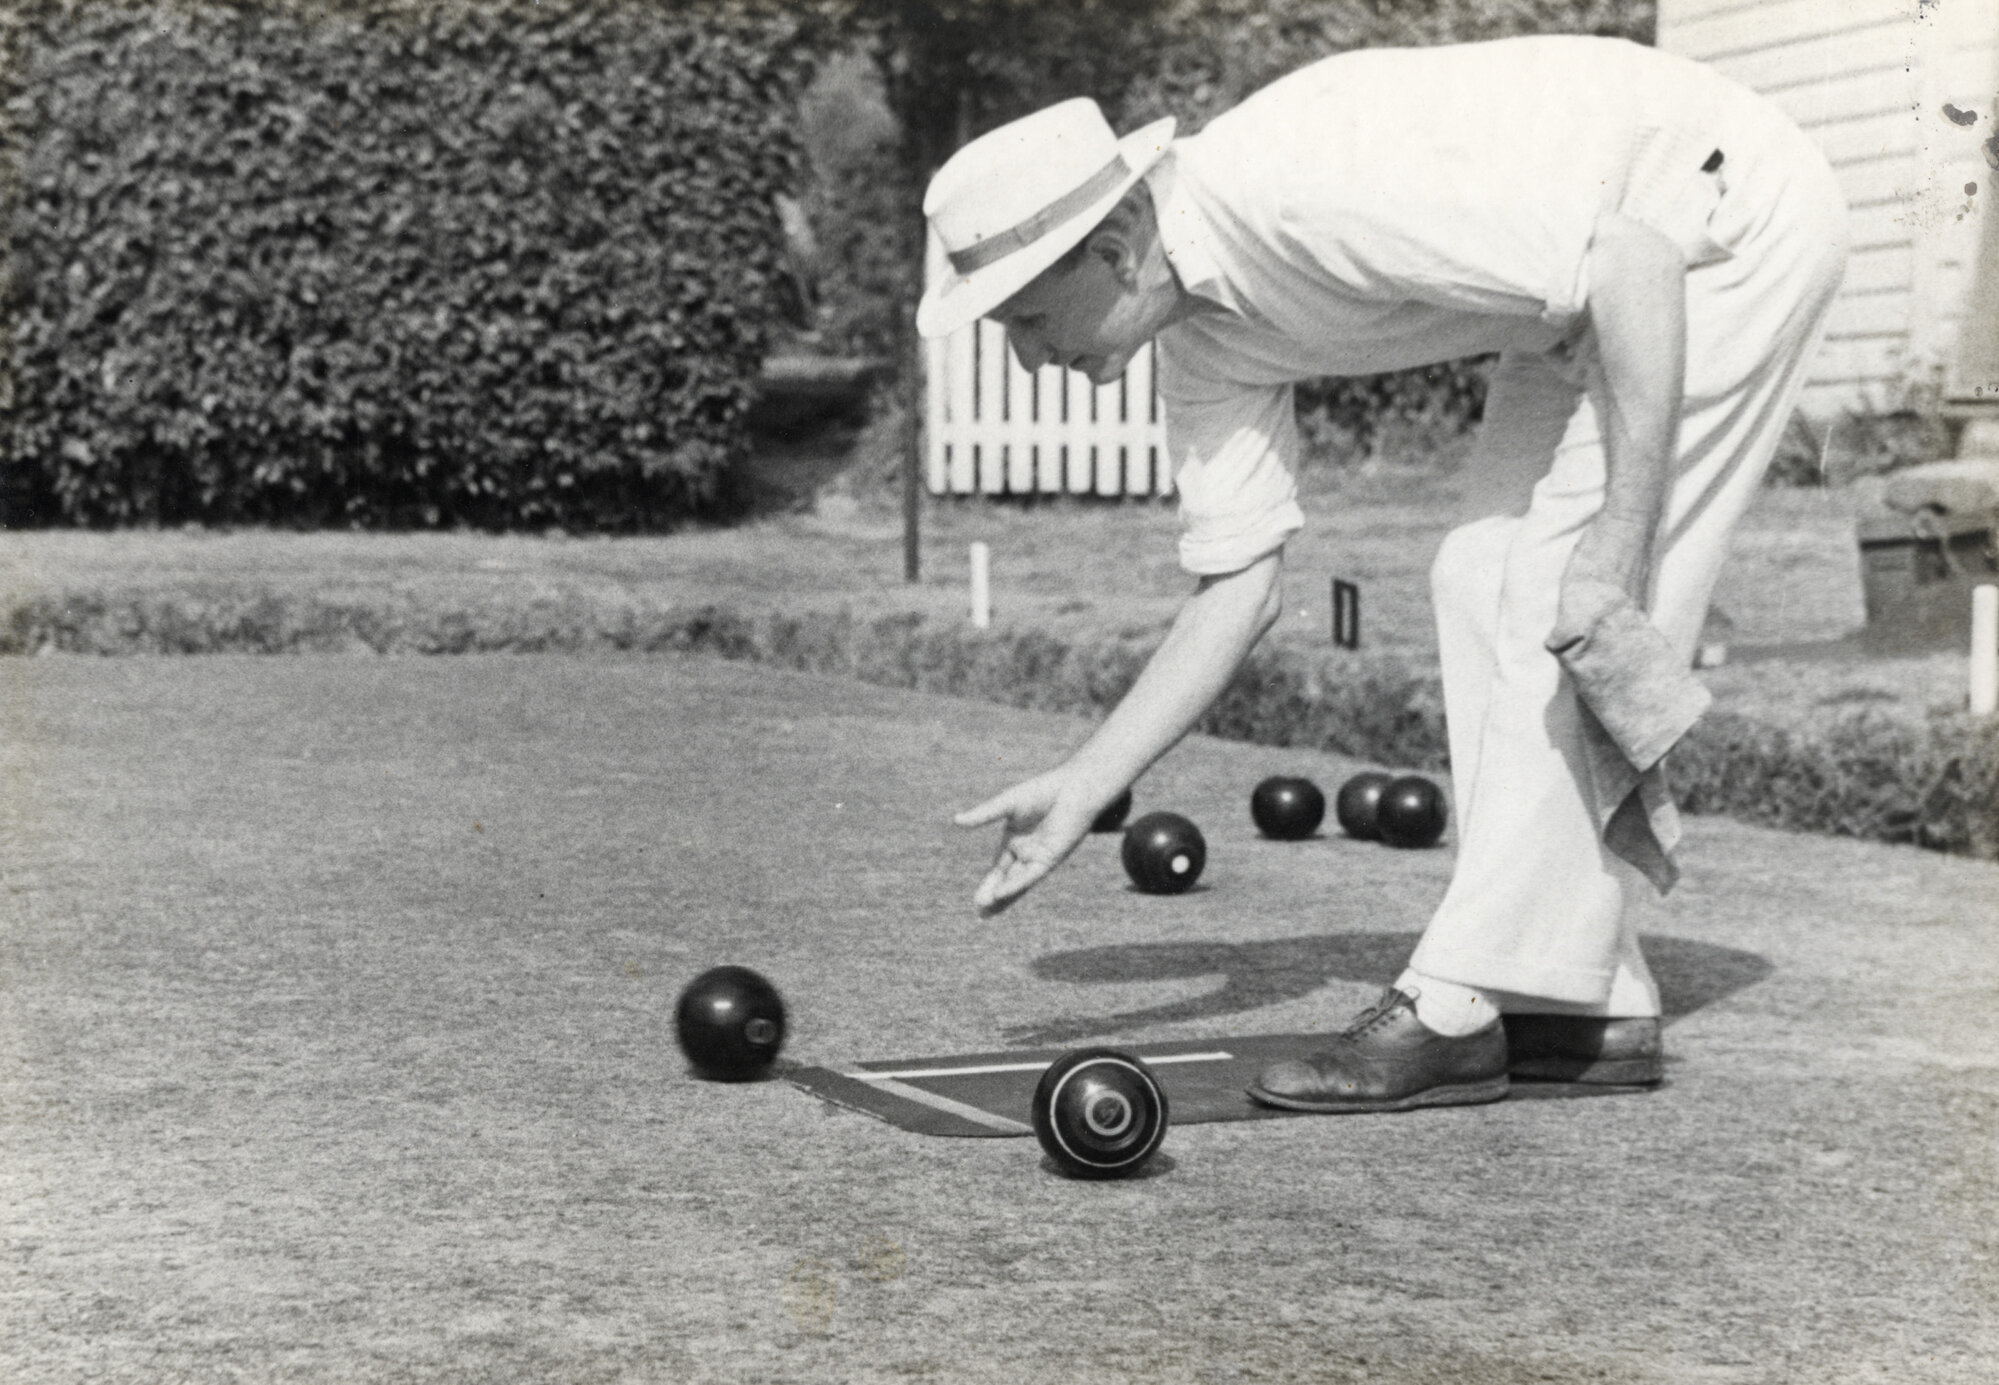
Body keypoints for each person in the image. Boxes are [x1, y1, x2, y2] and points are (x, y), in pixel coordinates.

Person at [918, 33, 1847, 1112]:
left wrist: (1622, 541)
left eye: (1030, 319)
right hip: (1595, 287)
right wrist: (1087, 780)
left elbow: (1634, 259)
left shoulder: (1294, 193)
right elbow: (1238, 584)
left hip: (1724, 229)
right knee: (1472, 572)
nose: (1031, 360)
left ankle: (1456, 1005)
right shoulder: (1201, 342)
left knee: (1558, 586)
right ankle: (1589, 1001)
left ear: (1116, 246)